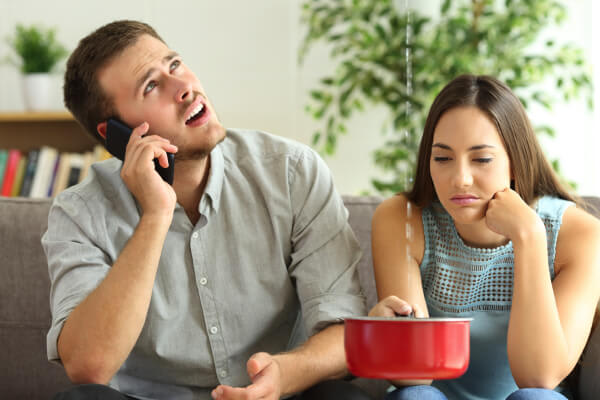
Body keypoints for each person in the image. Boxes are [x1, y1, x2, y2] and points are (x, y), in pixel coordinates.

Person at [42, 20, 371, 400]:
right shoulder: (79, 213)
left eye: (175, 65)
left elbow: (346, 331)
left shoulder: (291, 172)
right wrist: (155, 216)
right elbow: (88, 367)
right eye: (151, 86)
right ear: (114, 132)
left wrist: (285, 375)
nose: (183, 88)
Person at [368, 74, 600, 400]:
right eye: (443, 158)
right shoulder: (402, 219)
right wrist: (384, 335)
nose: (460, 179)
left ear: (515, 163)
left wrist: (529, 237)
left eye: (482, 159)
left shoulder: (581, 234)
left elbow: (539, 377)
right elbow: (416, 372)